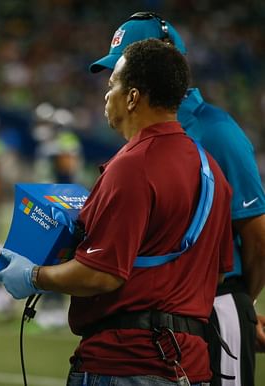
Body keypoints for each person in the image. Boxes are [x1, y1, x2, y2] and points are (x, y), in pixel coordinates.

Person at [0, 38, 233, 385]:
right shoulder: (210, 168)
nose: (106, 96)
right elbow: (220, 272)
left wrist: (34, 276)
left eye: (112, 86)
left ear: (133, 96)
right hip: (191, 364)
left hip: (125, 362)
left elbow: (102, 274)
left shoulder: (133, 166)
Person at [88, 12, 265, 385]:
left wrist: (239, 304)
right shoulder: (141, 137)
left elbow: (258, 236)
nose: (114, 78)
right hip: (159, 320)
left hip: (210, 308)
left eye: (128, 61)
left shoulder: (215, 131)